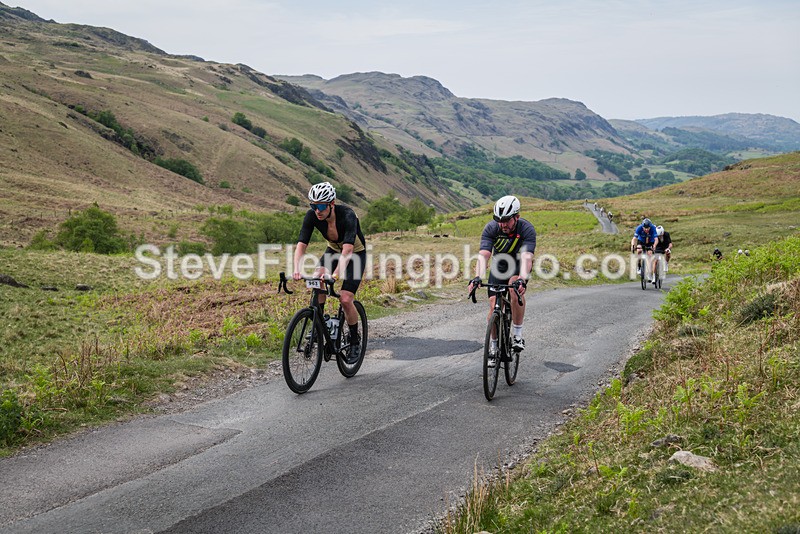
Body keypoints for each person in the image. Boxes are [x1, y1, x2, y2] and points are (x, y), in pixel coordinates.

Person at [293, 182, 367, 362]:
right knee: (317, 279)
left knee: (345, 298)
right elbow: (301, 246)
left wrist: (335, 275)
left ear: (331, 204)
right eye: (313, 205)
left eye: (320, 206)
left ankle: (355, 340)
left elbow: (348, 252)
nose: (316, 210)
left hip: (355, 254)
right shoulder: (312, 216)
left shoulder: (347, 215)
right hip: (333, 251)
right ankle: (319, 323)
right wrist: (296, 269)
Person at [468, 195, 536, 360]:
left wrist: (522, 279)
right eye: (499, 219)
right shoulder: (491, 229)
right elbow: (484, 255)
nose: (502, 224)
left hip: (519, 266)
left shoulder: (526, 229)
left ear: (516, 217)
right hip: (500, 266)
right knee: (493, 307)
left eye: (506, 220)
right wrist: (477, 277)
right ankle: (493, 346)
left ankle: (518, 335)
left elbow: (527, 257)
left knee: (514, 291)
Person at [631, 218, 658, 283]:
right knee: (639, 251)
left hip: (650, 241)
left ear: (650, 227)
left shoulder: (653, 228)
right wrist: (633, 246)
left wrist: (654, 246)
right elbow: (634, 239)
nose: (646, 229)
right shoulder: (639, 228)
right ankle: (639, 267)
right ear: (642, 226)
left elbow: (656, 239)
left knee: (649, 255)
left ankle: (649, 273)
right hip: (641, 241)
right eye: (644, 228)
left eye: (648, 228)